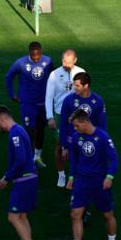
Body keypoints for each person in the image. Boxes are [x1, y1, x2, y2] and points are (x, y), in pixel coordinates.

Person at [61, 109, 119, 240]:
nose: (75, 129)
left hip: (99, 182)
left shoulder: (103, 137)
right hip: (81, 182)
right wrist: (71, 177)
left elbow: (114, 159)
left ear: (85, 122)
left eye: (76, 126)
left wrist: (109, 177)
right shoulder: (76, 137)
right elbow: (73, 159)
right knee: (75, 214)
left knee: (108, 215)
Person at [0, 105, 42, 240]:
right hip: (28, 179)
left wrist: (7, 178)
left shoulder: (15, 134)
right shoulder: (19, 130)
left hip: (24, 180)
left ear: (2, 119)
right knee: (21, 217)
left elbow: (20, 160)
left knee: (13, 218)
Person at [5, 41, 53, 168]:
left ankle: (37, 157)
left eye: (38, 55)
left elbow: (54, 76)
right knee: (29, 131)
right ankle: (28, 159)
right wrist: (12, 94)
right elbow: (9, 76)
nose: (36, 58)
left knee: (41, 130)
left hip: (43, 103)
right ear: (29, 53)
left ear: (41, 52)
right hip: (27, 103)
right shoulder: (20, 63)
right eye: (33, 56)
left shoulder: (48, 61)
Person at [44, 49, 85, 187]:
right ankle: (61, 174)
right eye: (64, 61)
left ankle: (77, 174)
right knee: (60, 145)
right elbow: (49, 97)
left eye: (69, 62)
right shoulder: (54, 75)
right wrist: (50, 117)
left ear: (75, 60)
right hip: (60, 115)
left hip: (77, 115)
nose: (66, 65)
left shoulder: (81, 73)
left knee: (79, 144)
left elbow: (86, 95)